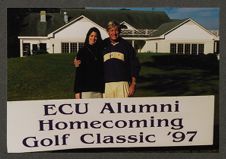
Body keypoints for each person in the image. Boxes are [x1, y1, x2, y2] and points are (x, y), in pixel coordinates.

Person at [102, 21, 140, 98]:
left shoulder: (127, 46)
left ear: (119, 31)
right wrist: (78, 60)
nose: (114, 33)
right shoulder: (102, 44)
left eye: (116, 30)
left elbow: (134, 66)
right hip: (106, 85)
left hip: (123, 84)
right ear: (108, 31)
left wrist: (133, 84)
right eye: (111, 30)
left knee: (123, 109)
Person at [74, 27, 104, 99]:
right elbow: (79, 73)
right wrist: (77, 91)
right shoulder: (82, 51)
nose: (93, 38)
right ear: (88, 36)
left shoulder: (101, 51)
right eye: (91, 36)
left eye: (96, 36)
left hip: (99, 90)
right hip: (86, 90)